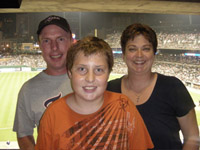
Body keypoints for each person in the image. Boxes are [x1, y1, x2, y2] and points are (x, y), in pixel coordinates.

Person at [35, 36, 154, 150]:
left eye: (99, 70)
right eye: (82, 69)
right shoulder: (52, 116)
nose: (90, 78)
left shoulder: (124, 107)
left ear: (108, 74)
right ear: (70, 73)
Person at [107, 23, 200, 150]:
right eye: (132, 49)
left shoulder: (173, 87)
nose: (139, 55)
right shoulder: (109, 90)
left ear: (154, 54)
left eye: (146, 48)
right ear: (123, 55)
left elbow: (192, 137)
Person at [13, 15, 73, 150]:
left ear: (71, 40)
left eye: (61, 39)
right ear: (39, 45)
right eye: (46, 41)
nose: (54, 47)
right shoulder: (28, 90)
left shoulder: (90, 81)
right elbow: (24, 134)